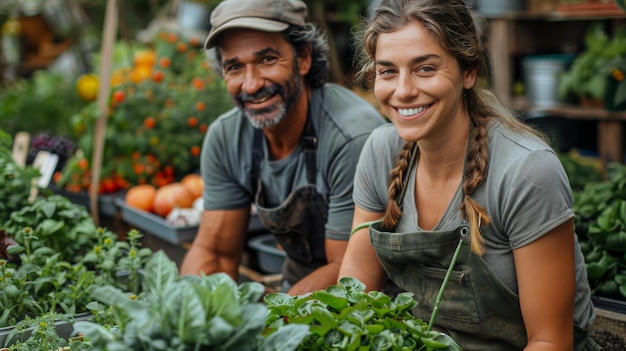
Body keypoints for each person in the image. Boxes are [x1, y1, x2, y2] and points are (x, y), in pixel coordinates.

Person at [338, 0, 600, 350]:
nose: (403, 90)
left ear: (469, 72)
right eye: (388, 71)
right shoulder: (381, 152)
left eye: (425, 68)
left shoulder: (526, 171)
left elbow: (550, 341)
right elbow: (353, 299)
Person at [179, 0, 386, 296]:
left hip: (367, 306)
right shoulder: (226, 138)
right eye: (235, 67)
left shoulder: (351, 137)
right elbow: (215, 253)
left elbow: (348, 272)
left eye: (266, 60)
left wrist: (271, 322)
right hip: (295, 294)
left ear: (303, 58)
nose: (251, 85)